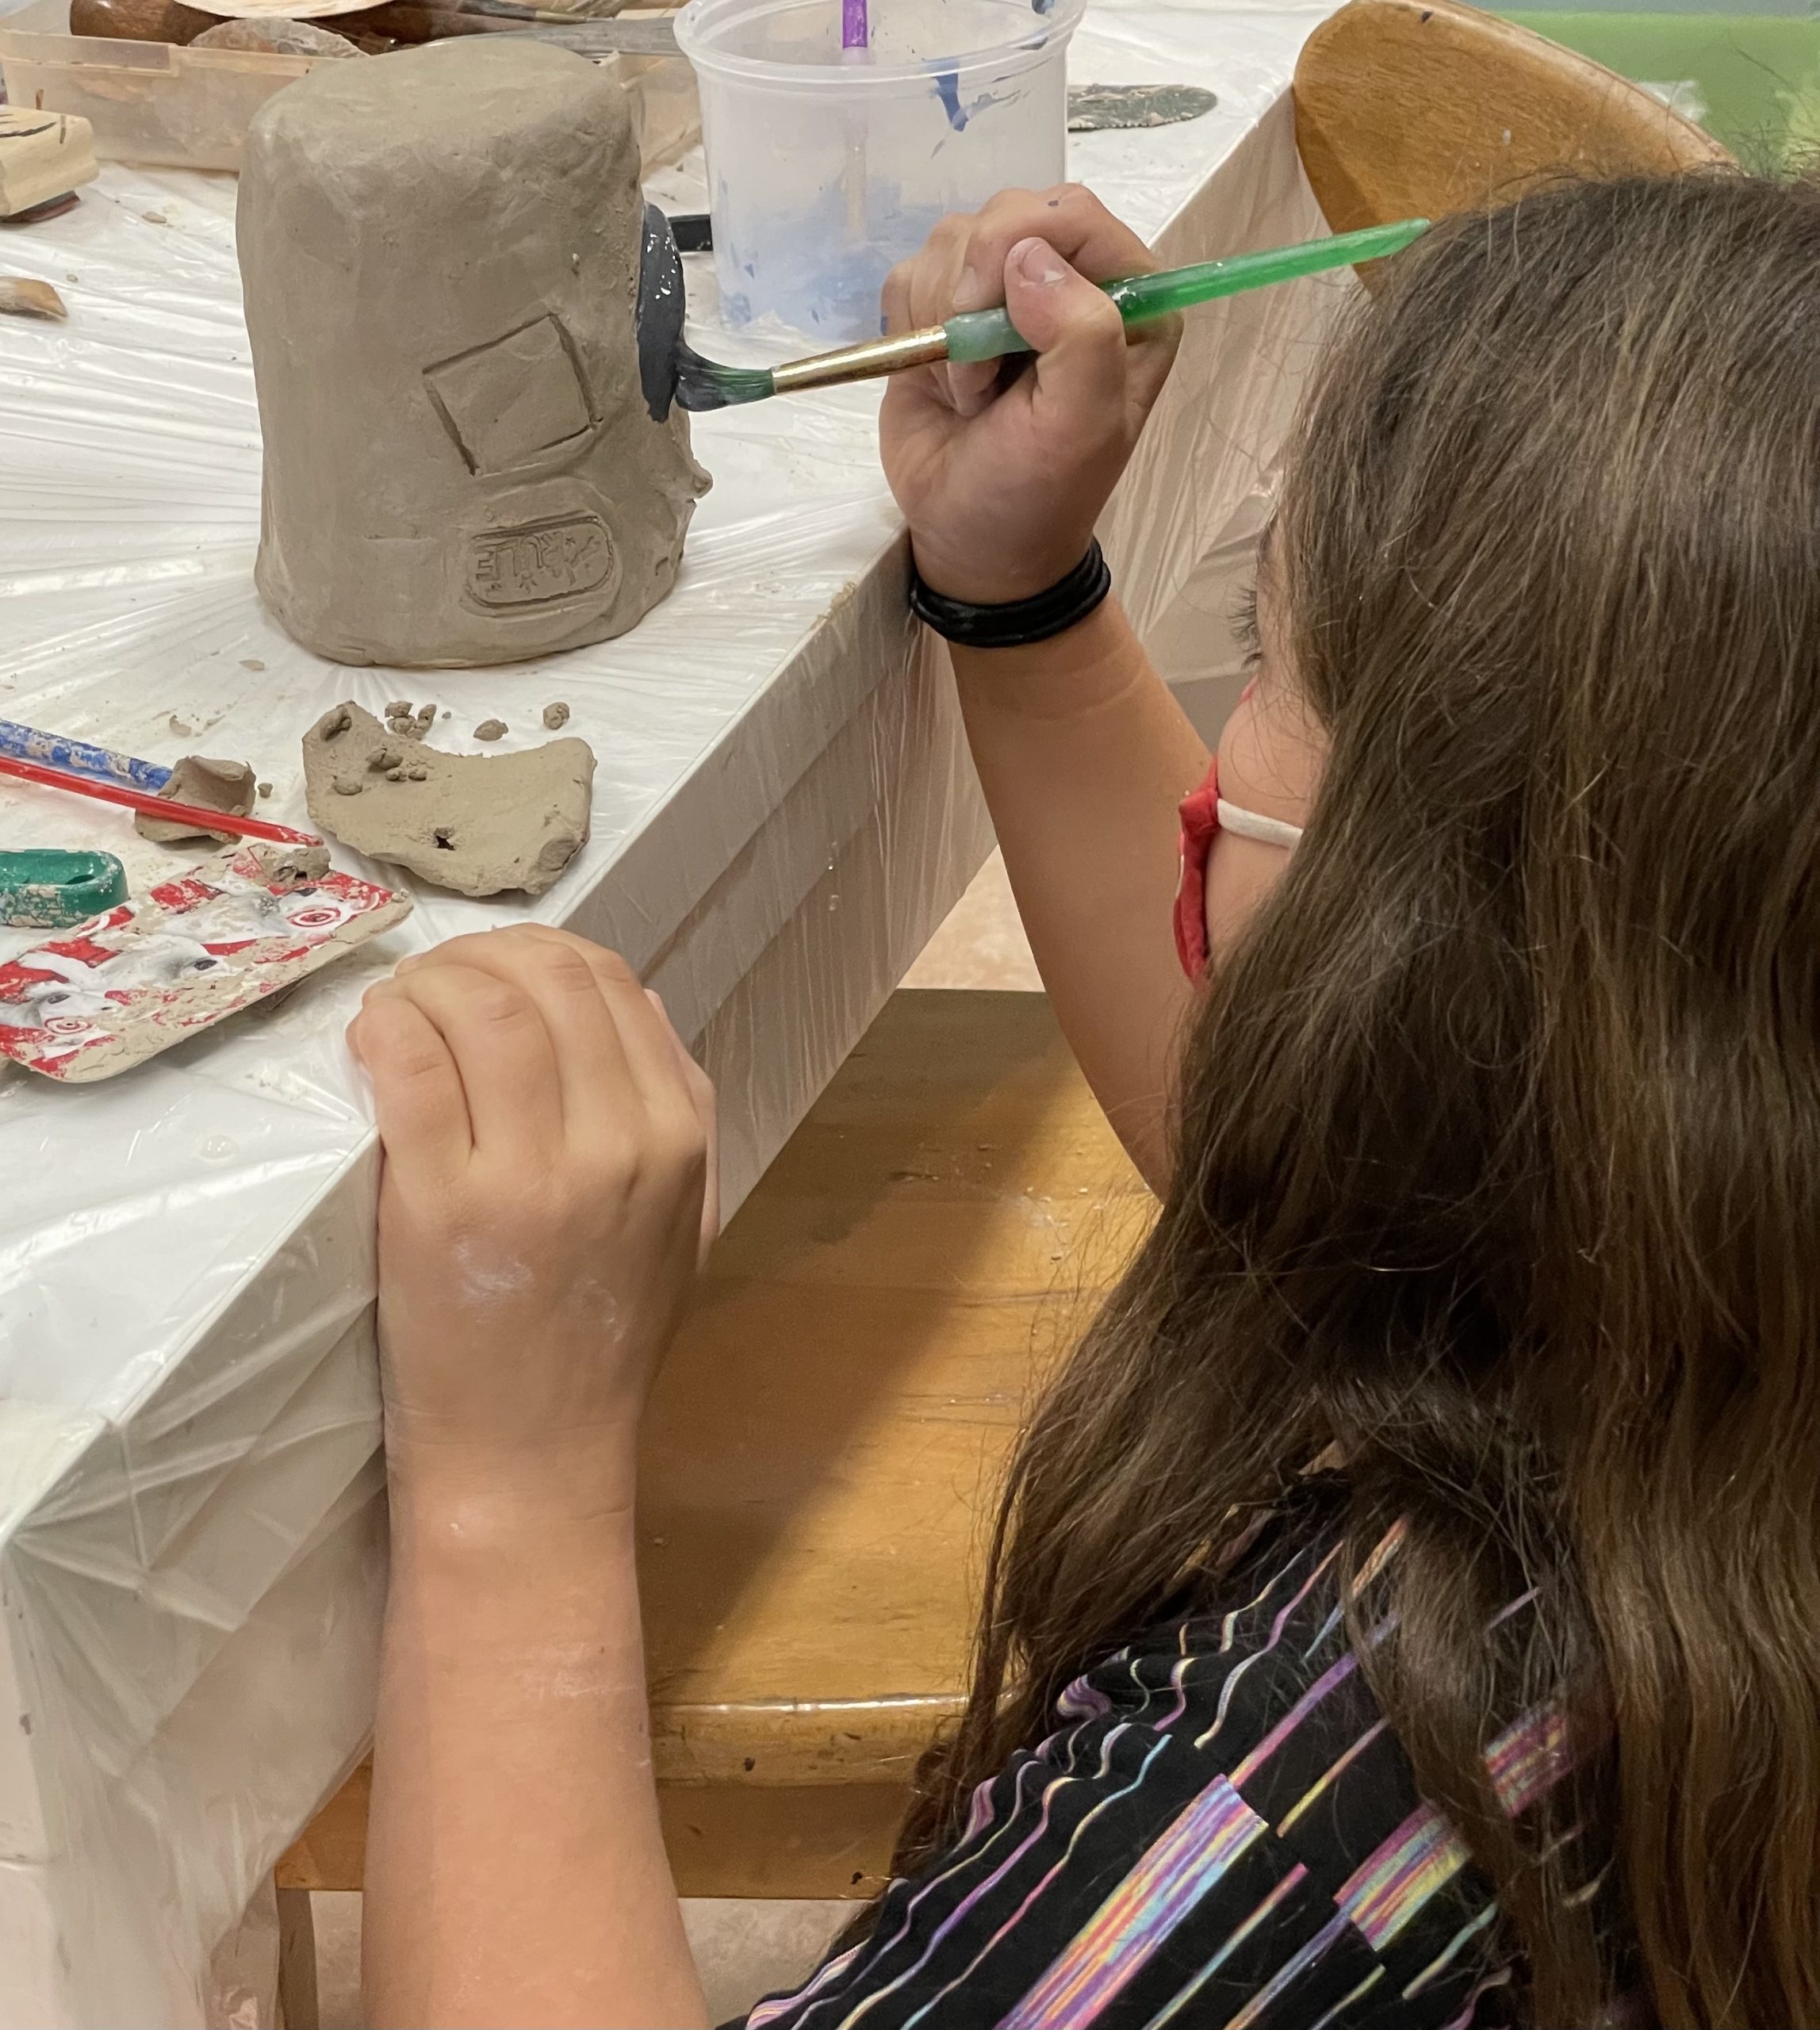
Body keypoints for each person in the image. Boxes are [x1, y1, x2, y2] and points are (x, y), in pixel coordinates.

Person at [347, 169, 1820, 2028]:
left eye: (1271, 660)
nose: (1229, 740)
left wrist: (511, 1495)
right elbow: (1332, 1142)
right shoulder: (1713, 1333)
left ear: (1452, 927)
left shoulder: (1321, 1806)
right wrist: (1020, 599)